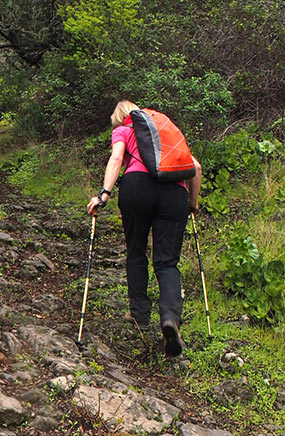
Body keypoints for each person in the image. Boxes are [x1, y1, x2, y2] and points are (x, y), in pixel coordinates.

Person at [86, 99, 202, 357]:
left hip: (137, 186)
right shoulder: (164, 133)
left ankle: (139, 313)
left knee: (136, 251)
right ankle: (170, 318)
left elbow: (117, 158)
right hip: (174, 193)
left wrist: (103, 195)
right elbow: (195, 167)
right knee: (167, 262)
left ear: (120, 118)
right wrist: (192, 204)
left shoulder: (125, 130)